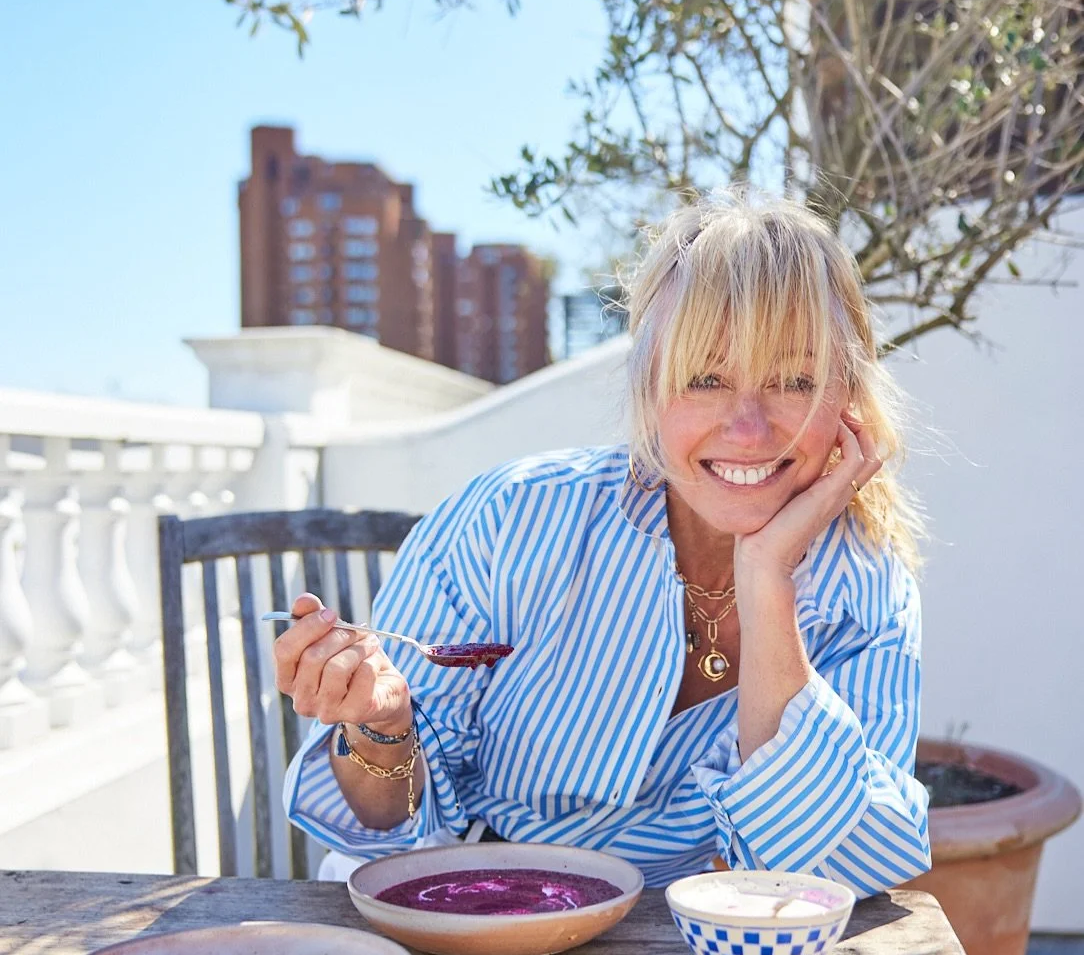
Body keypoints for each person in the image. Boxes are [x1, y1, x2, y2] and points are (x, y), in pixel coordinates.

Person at [275, 191, 931, 893]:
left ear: (848, 398)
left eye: (794, 380)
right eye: (705, 378)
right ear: (649, 388)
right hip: (488, 916)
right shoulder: (507, 520)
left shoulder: (868, 588)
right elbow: (397, 822)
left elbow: (841, 871)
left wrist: (766, 580)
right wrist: (382, 726)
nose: (748, 428)